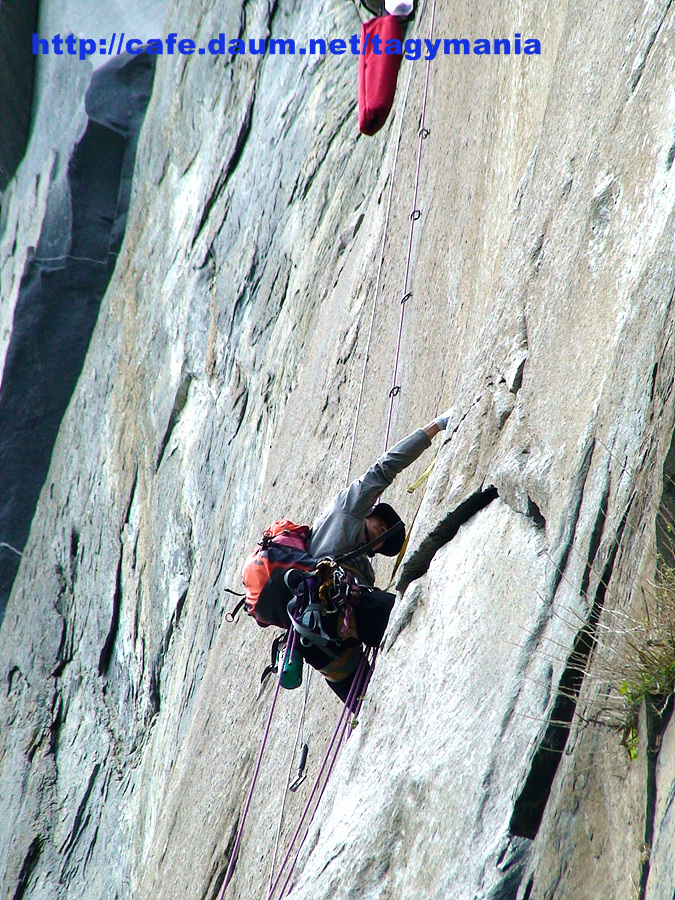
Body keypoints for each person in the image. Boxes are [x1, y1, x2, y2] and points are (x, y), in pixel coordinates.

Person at [296, 410, 452, 706]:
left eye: (383, 541)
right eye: (379, 526)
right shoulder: (348, 511)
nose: (380, 535)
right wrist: (434, 427)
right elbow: (384, 468)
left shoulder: (362, 571)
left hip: (323, 636)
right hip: (327, 622)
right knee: (411, 616)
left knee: (370, 702)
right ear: (369, 514)